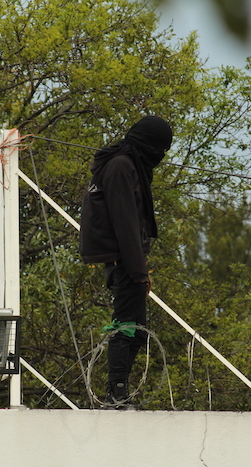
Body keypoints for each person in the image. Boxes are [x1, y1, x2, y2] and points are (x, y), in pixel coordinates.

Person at [79, 115, 172, 408]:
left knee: (135, 330)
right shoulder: (122, 167)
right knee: (127, 327)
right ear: (150, 145)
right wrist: (138, 271)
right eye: (161, 149)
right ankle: (116, 394)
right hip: (123, 263)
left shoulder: (127, 165)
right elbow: (126, 223)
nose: (161, 157)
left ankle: (118, 392)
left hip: (125, 263)